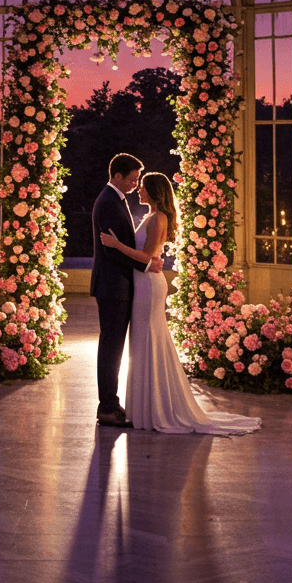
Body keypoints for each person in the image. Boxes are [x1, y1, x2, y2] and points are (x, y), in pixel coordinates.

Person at [101, 172, 261, 436]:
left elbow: (145, 256)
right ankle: (147, 407)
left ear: (153, 191)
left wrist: (116, 245)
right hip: (144, 284)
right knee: (144, 342)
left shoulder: (158, 218)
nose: (138, 191)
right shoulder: (152, 216)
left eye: (142, 188)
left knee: (149, 341)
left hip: (149, 286)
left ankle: (156, 408)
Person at [90, 152, 163, 427]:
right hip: (112, 285)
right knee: (111, 347)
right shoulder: (109, 202)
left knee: (115, 347)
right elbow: (112, 253)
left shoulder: (115, 200)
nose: (135, 184)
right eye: (132, 179)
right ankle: (107, 407)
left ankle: (110, 403)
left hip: (117, 284)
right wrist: (147, 267)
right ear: (117, 176)